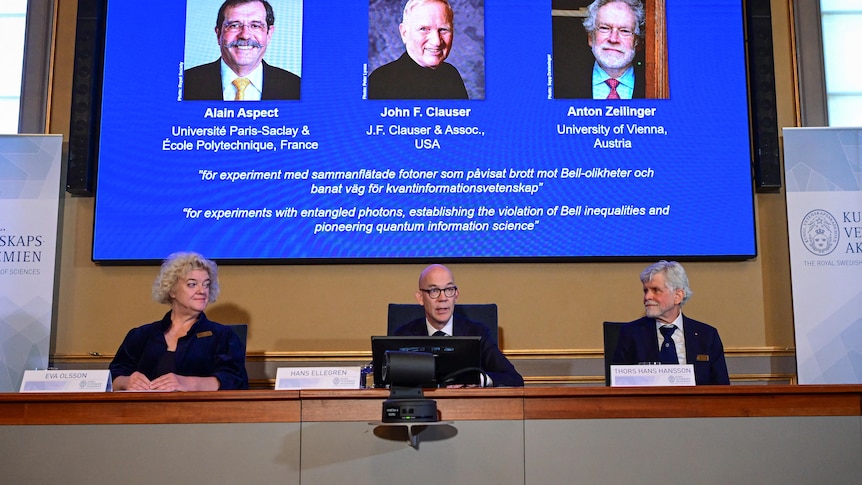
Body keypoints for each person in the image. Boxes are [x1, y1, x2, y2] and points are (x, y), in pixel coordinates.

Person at [109, 252, 248, 391]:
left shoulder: (223, 337)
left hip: (201, 412)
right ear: (172, 290)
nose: (202, 291)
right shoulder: (140, 335)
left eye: (206, 285)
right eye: (192, 284)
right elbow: (112, 378)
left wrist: (187, 383)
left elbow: (235, 381)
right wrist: (127, 382)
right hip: (142, 411)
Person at [391, 264, 524, 387]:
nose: (442, 298)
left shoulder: (477, 333)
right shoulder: (403, 336)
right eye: (434, 291)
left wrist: (477, 379)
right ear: (420, 298)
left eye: (449, 290)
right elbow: (388, 383)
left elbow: (513, 379)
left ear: (456, 295)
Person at [612, 260, 730, 385]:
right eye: (646, 291)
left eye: (655, 290)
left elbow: (722, 390)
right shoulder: (631, 334)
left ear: (677, 296)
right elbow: (619, 388)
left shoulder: (707, 336)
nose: (647, 297)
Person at [183, 0, 300, 101]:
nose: (245, 35)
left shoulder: (296, 87)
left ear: (269, 34)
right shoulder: (185, 84)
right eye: (234, 25)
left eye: (255, 26)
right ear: (218, 34)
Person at [368, 0, 468, 99]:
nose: (436, 42)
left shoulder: (451, 75)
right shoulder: (380, 81)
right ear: (404, 33)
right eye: (424, 29)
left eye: (443, 29)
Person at [555, 0, 645, 99]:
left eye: (624, 31)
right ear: (590, 37)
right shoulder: (561, 83)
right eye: (605, 28)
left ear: (637, 42)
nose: (613, 39)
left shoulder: (654, 85)